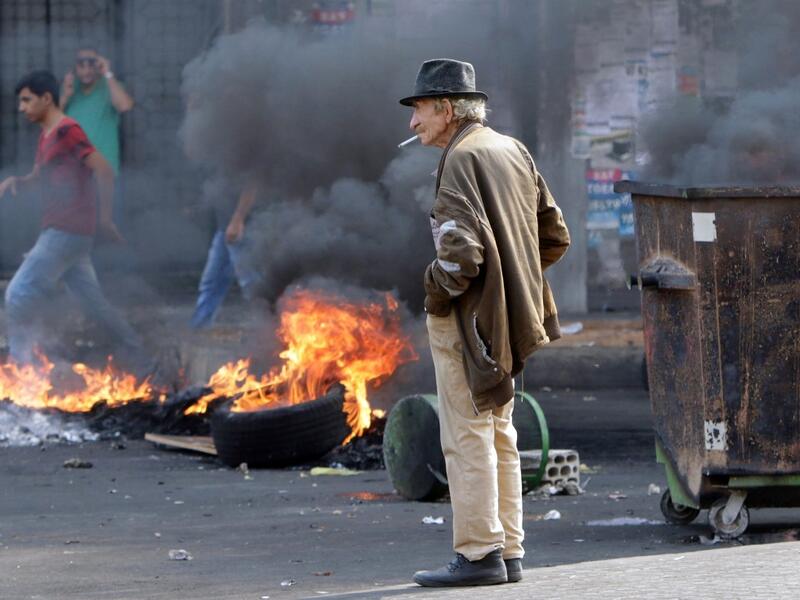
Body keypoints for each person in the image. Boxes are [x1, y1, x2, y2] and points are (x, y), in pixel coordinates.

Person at [399, 59, 571, 587]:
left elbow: (458, 260)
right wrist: (514, 281)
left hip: (468, 323)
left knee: (466, 435)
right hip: (509, 320)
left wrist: (433, 292)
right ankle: (509, 550)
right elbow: (555, 233)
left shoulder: (459, 160)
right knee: (499, 430)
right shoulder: (510, 149)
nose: (413, 123)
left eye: (421, 110)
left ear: (447, 109)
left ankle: (477, 555)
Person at [0, 70, 143, 366]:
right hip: (69, 235)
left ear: (46, 98)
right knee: (95, 305)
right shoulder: (47, 136)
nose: (21, 108)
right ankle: (140, 354)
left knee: (17, 294)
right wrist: (19, 181)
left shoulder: (68, 130)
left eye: (27, 101)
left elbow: (103, 169)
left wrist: (105, 220)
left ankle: (22, 372)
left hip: (66, 231)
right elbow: (41, 175)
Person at [190, 180, 265, 329]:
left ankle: (272, 327)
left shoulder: (242, 159)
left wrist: (238, 220)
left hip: (242, 230)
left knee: (251, 283)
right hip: (224, 230)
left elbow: (252, 184)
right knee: (212, 281)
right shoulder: (218, 161)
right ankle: (199, 326)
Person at [60, 46, 134, 174]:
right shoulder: (69, 88)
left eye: (91, 64)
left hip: (103, 172)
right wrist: (65, 96)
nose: (86, 70)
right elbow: (52, 121)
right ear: (75, 67)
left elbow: (124, 106)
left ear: (99, 64)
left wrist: (107, 73)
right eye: (81, 64)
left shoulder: (110, 86)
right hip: (74, 173)